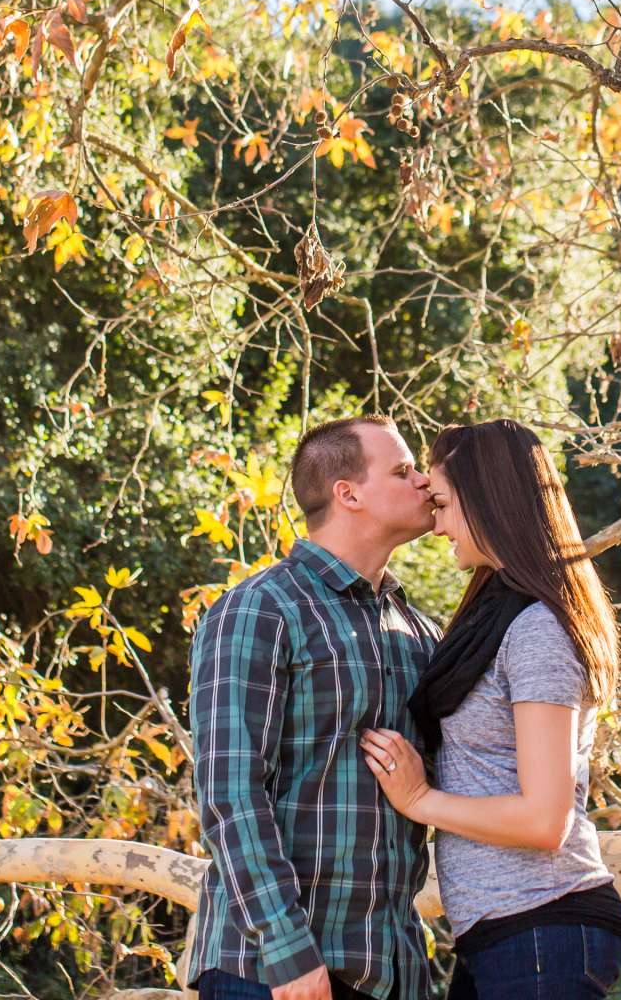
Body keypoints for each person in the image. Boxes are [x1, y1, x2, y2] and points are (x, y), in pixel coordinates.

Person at [359, 419, 621, 1000]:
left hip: (544, 924)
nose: (436, 524)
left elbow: (543, 821)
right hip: (505, 934)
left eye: (446, 504)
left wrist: (418, 800)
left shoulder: (537, 630)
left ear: (489, 503)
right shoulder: (495, 618)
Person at [186, 414, 444, 1000]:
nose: (424, 483)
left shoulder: (420, 632)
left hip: (392, 971)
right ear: (347, 493)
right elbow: (229, 794)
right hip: (272, 973)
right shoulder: (258, 610)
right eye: (404, 471)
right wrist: (289, 956)